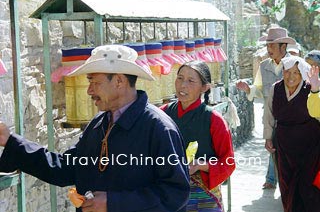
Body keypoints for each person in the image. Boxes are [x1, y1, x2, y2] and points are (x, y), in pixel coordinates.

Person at [0, 45, 190, 212]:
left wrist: (114, 203)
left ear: (119, 81)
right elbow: (66, 169)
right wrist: (11, 142)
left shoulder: (159, 128)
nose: (89, 90)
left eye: (95, 82)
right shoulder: (99, 123)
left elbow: (175, 193)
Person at [160, 60, 235, 212]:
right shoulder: (162, 114)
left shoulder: (214, 120)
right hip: (169, 193)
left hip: (204, 198)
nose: (182, 85)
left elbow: (228, 163)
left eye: (190, 81)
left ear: (204, 87)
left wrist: (201, 165)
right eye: (180, 78)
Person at [236, 27, 296, 189]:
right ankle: (272, 179)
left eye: (272, 46)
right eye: (267, 45)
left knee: (289, 148)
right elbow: (259, 89)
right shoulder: (264, 66)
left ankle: (281, 179)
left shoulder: (295, 65)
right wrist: (248, 89)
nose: (268, 49)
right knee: (272, 145)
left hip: (292, 117)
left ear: (283, 47)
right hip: (271, 115)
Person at [263, 56, 320, 212]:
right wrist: (268, 137)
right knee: (286, 183)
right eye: (288, 72)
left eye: (296, 72)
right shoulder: (276, 88)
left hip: (310, 147)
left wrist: (316, 89)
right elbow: (268, 114)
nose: (291, 77)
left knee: (307, 186)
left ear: (302, 74)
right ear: (283, 72)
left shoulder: (310, 89)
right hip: (285, 145)